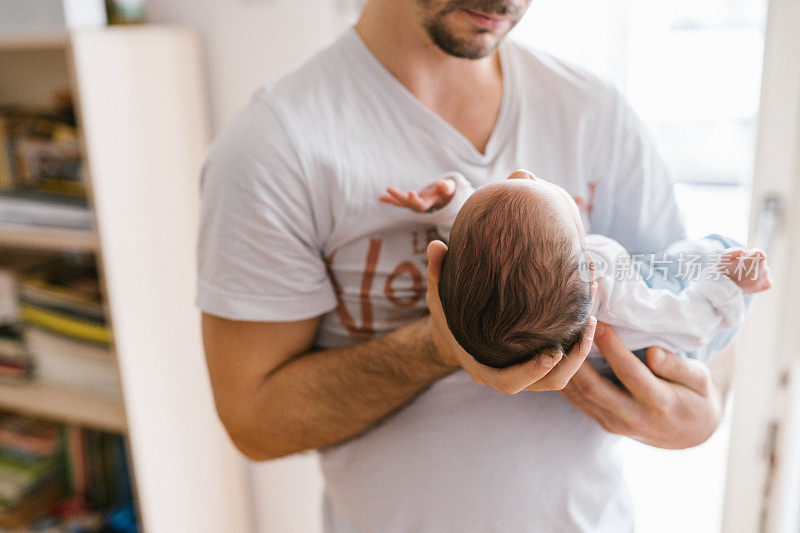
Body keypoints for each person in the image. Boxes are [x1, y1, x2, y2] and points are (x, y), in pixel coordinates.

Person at [198, 0, 734, 530]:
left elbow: (693, 306)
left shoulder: (594, 113)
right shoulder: (273, 149)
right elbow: (255, 422)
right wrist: (439, 346)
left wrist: (698, 419)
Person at [380, 170, 769, 369]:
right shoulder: (616, 295)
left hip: (618, 310)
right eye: (546, 192)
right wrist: (725, 282)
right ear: (586, 260)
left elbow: (488, 255)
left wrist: (451, 206)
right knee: (710, 252)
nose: (521, 174)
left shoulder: (542, 280)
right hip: (667, 338)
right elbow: (688, 324)